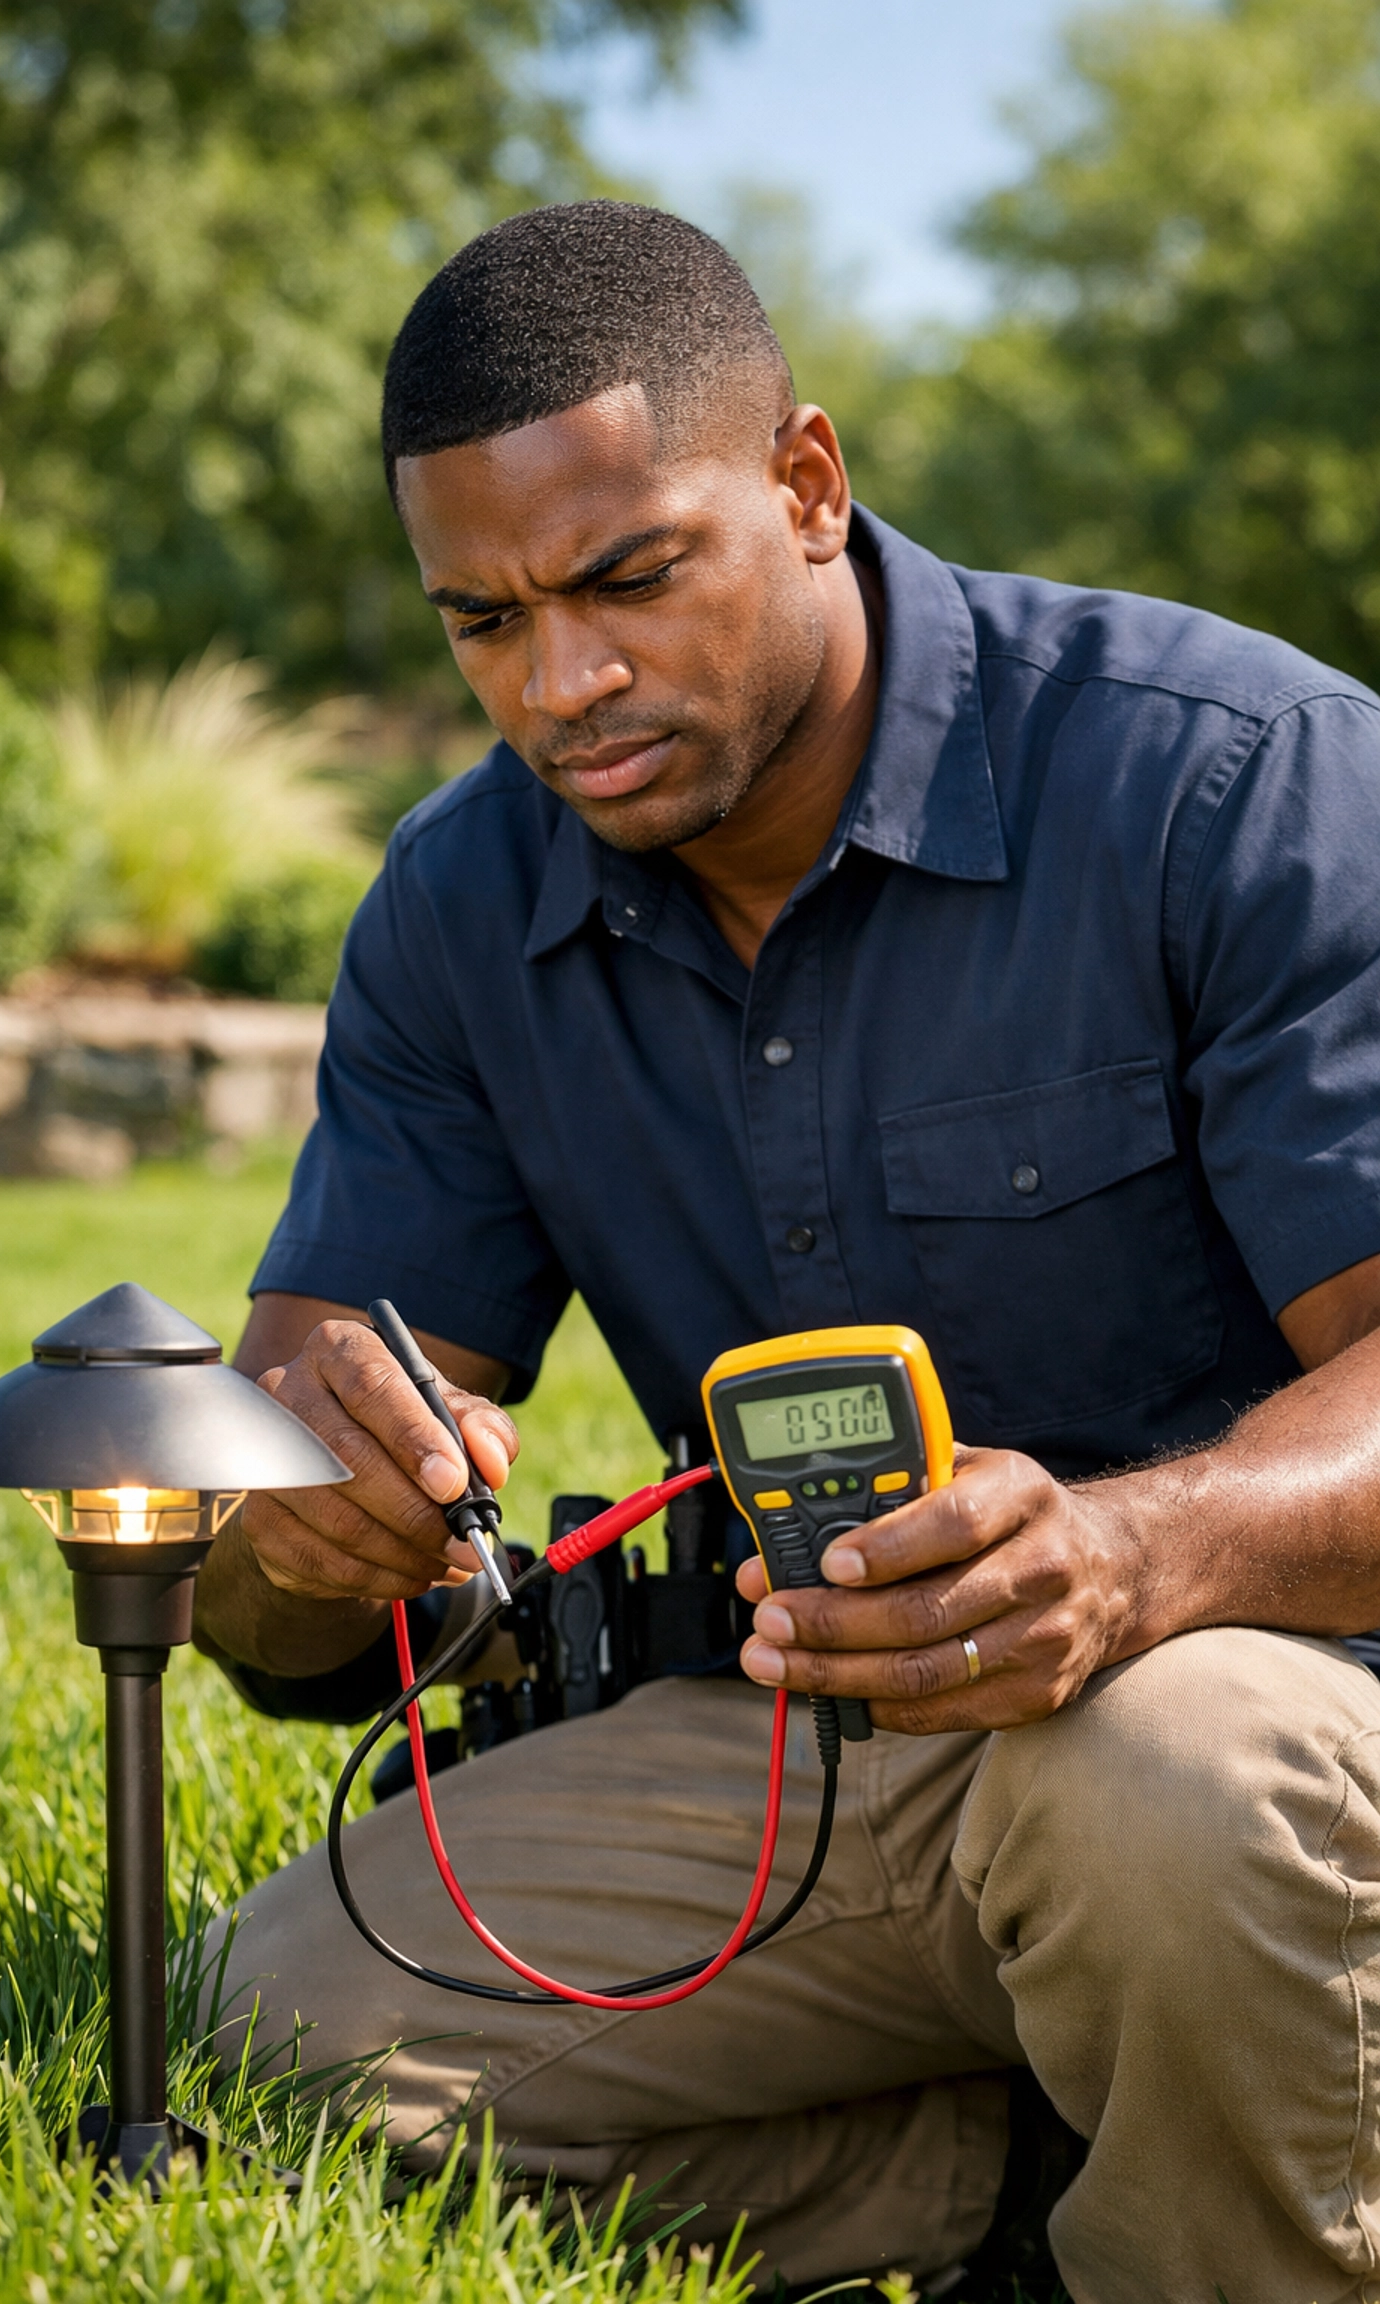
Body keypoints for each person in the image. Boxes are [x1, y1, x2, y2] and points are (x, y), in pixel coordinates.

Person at [195, 201, 1380, 2302]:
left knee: (1173, 1789)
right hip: (820, 1744)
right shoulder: (461, 910)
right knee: (272, 2022)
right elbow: (277, 1603)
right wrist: (294, 1536)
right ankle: (1015, 2199)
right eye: (482, 620)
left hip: (1267, 1708)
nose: (566, 686)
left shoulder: (1229, 776)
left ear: (808, 484)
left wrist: (1131, 1559)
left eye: (630, 577)